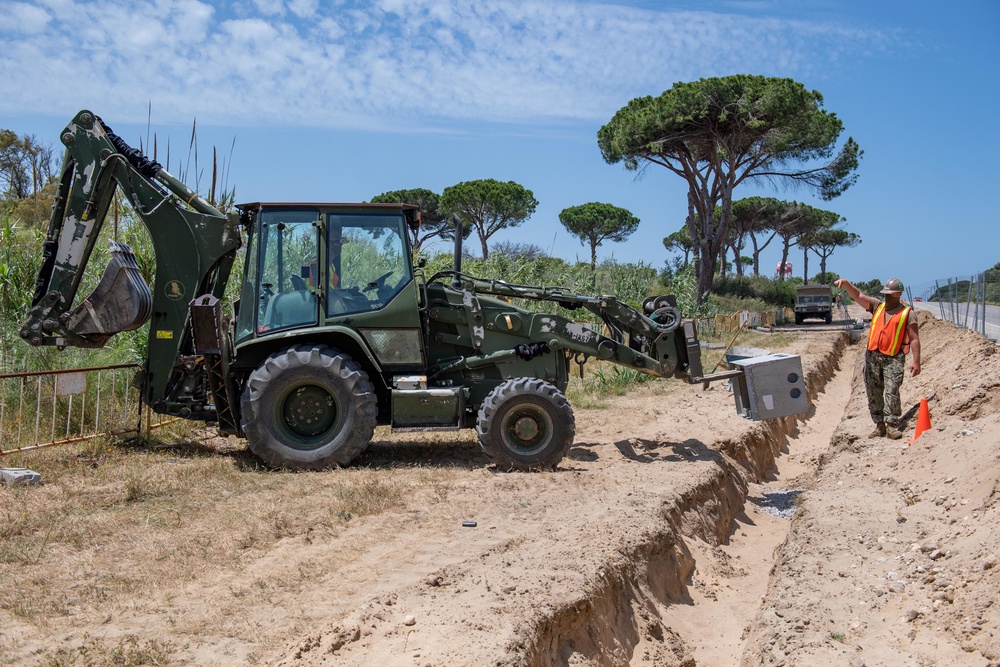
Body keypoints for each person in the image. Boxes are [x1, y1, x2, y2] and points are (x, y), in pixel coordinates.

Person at [833, 277, 921, 440]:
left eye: (890, 294)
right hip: (873, 357)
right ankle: (879, 425)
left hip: (893, 358)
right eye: (885, 293)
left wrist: (916, 361)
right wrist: (845, 284)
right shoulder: (877, 307)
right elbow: (858, 295)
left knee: (892, 390)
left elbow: (914, 338)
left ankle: (891, 425)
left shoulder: (908, 314)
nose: (886, 297)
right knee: (873, 392)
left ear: (898, 294)